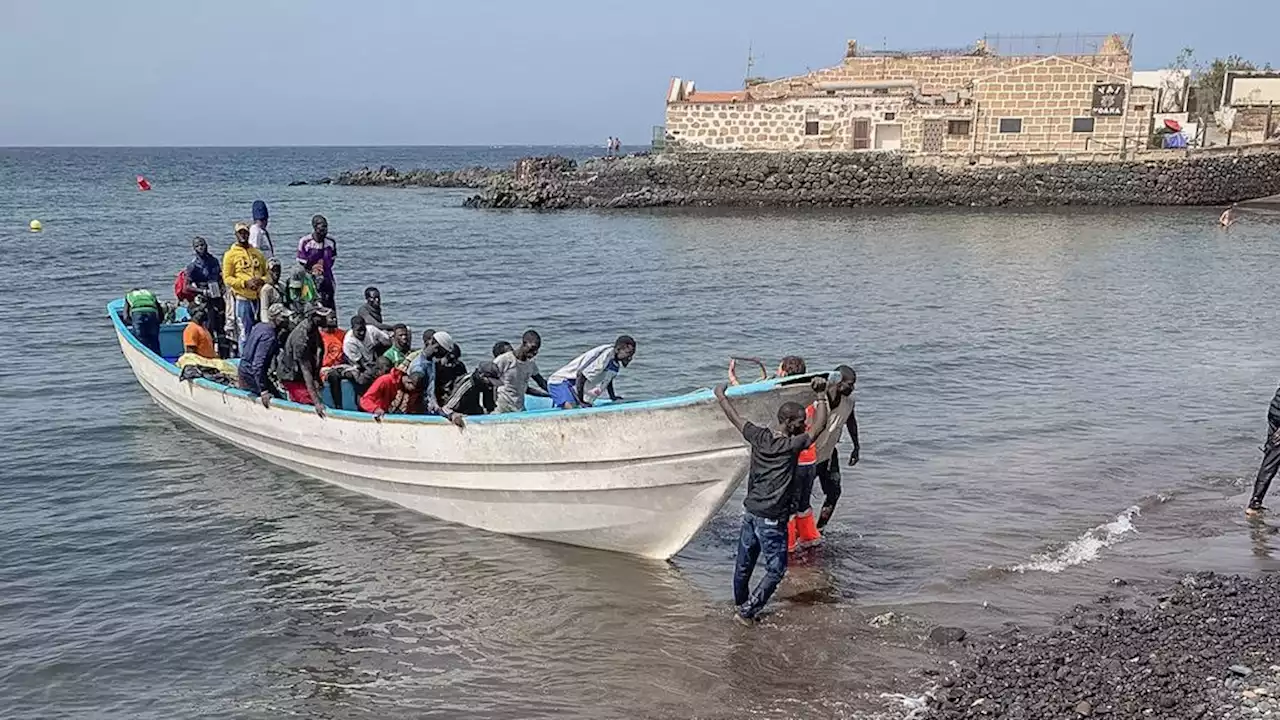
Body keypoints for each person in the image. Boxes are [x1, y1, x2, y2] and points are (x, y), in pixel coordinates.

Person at [714, 378, 828, 624]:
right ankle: (747, 612)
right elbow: (820, 426)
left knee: (744, 566)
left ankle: (740, 603)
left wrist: (720, 395)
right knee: (776, 571)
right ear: (788, 423)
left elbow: (735, 419)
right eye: (800, 422)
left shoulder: (759, 436)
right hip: (772, 519)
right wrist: (820, 396)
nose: (804, 424)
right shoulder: (790, 446)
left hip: (751, 513)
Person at [812, 365, 860, 530]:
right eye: (850, 384)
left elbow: (851, 421)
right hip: (809, 456)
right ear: (838, 383)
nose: (852, 388)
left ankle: (820, 529)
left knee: (834, 492)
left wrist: (856, 446)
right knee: (798, 497)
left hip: (828, 453)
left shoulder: (849, 402)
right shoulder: (818, 399)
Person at [546, 335, 636, 409]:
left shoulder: (615, 363)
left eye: (632, 354)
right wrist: (581, 401)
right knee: (571, 408)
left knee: (582, 407)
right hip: (561, 381)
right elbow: (581, 375)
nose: (630, 357)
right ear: (618, 350)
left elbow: (608, 380)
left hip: (575, 385)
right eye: (628, 353)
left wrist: (613, 397)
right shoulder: (605, 356)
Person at [275, 306, 330, 417]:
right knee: (308, 402)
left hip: (304, 373)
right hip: (291, 376)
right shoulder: (301, 338)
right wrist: (316, 402)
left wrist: (317, 377)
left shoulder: (313, 328)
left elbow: (320, 349)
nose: (326, 319)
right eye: (322, 317)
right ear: (312, 318)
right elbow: (306, 371)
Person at [222, 221, 270, 349]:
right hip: (243, 298)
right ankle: (245, 360)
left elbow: (268, 274)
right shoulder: (230, 255)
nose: (243, 235)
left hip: (259, 298)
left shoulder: (257, 253)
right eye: (240, 233)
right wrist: (244, 283)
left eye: (245, 232)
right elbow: (227, 278)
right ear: (236, 235)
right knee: (245, 332)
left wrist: (261, 280)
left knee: (260, 331)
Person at [237, 303, 292, 407]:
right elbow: (257, 365)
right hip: (250, 373)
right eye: (283, 317)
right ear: (275, 318)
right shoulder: (269, 336)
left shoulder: (260, 326)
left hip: (245, 369)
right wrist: (263, 390)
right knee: (276, 400)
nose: (287, 320)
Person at [185, 236, 228, 354]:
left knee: (221, 325)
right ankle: (208, 353)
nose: (201, 248)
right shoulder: (193, 266)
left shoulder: (213, 260)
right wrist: (202, 291)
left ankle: (225, 354)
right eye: (197, 246)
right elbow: (186, 287)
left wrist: (222, 287)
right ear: (194, 249)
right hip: (204, 297)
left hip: (217, 295)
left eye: (202, 245)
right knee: (208, 326)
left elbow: (220, 277)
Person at [493, 330, 551, 413]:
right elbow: (489, 379)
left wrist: (555, 393)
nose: (534, 352)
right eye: (532, 348)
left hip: (518, 406)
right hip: (502, 406)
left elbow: (541, 382)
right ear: (524, 343)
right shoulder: (505, 359)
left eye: (537, 350)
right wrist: (491, 404)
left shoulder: (531, 364)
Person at [1248, 383, 1280, 516]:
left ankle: (1255, 503)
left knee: (1272, 455)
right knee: (1272, 458)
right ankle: (1254, 505)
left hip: (1276, 410)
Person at [441, 361, 503, 427]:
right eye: (490, 380)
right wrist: (453, 415)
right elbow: (445, 408)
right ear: (482, 376)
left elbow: (489, 405)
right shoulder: (467, 383)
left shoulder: (487, 384)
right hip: (459, 410)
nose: (491, 384)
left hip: (474, 410)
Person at [341, 315, 393, 394]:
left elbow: (388, 342)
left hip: (374, 357)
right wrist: (376, 372)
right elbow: (362, 364)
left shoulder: (371, 330)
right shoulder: (349, 342)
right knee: (363, 380)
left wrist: (379, 346)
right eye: (358, 330)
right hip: (358, 364)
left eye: (363, 329)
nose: (362, 333)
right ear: (352, 329)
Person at [297, 214, 337, 312]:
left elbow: (332, 261)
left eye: (326, 228)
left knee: (329, 306)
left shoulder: (331, 242)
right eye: (321, 229)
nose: (324, 232)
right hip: (309, 279)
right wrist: (313, 271)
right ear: (315, 227)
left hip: (327, 278)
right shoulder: (305, 242)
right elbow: (301, 264)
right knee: (311, 307)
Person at [407, 330, 453, 413]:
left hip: (431, 408)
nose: (444, 356)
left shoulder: (430, 361)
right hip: (419, 411)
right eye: (444, 352)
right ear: (436, 348)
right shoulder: (419, 366)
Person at [359, 369, 424, 420]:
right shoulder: (385, 381)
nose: (414, 392)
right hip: (373, 417)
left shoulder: (408, 390)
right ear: (409, 382)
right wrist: (375, 409)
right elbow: (364, 400)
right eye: (414, 389)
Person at [318, 313, 348, 408]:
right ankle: (338, 405)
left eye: (335, 317)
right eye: (331, 318)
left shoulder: (342, 334)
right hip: (324, 368)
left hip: (341, 365)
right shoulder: (319, 336)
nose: (335, 320)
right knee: (334, 377)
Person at [123, 287, 163, 354]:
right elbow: (160, 310)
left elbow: (125, 317)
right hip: (151, 313)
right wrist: (159, 321)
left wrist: (131, 323)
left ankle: (144, 355)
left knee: (140, 338)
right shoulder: (149, 294)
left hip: (137, 313)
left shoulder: (129, 295)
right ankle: (157, 355)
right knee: (154, 339)